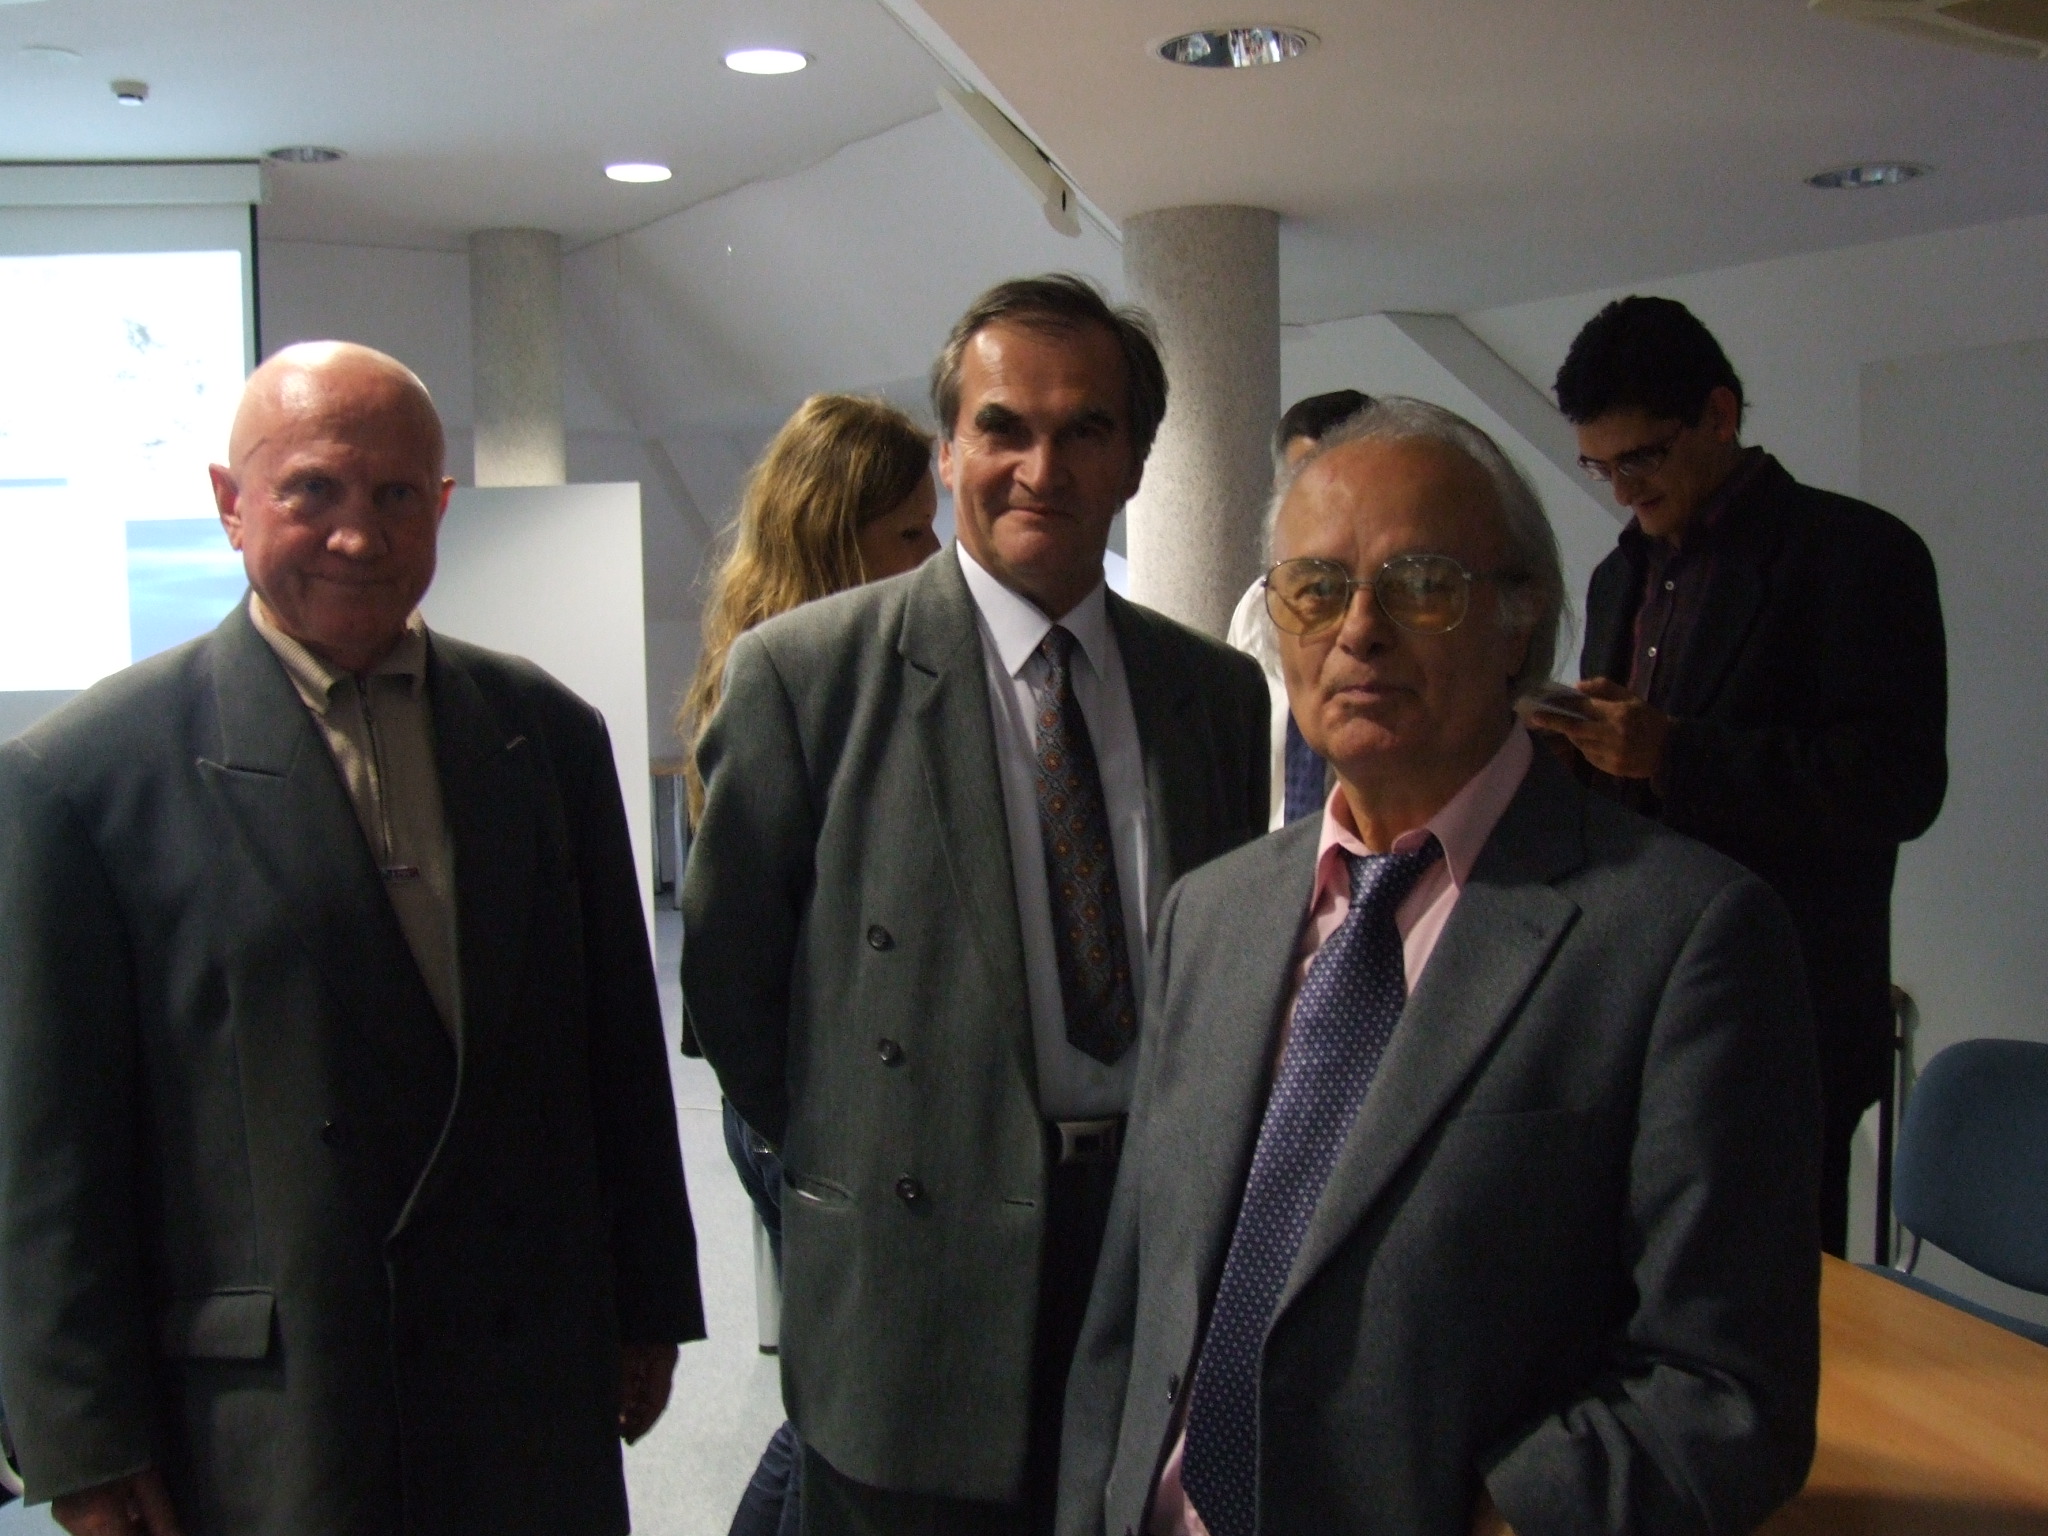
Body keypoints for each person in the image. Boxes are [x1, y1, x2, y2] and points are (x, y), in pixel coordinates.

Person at [1060, 399, 1821, 1536]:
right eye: (1315, 589)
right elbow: (1132, 1299)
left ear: (1519, 621)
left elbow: (1727, 1393)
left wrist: (1494, 1516)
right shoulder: (1208, 915)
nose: (1358, 630)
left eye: (1420, 584)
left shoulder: (1682, 939)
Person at [0, 342, 703, 1535]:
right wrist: (82, 1436)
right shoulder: (85, 777)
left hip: (524, 1376)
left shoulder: (545, 734)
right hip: (278, 1407)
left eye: (394, 495)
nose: (356, 535)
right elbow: (50, 1148)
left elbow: (614, 1053)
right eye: (311, 491)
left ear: (441, 505)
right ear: (230, 503)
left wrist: (647, 1302)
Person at [682, 274, 1269, 1535]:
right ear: (946, 450)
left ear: (1134, 459)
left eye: (1085, 430)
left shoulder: (1212, 695)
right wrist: (866, 1148)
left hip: (1149, 1247)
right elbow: (731, 989)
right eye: (1002, 427)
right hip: (914, 1262)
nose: (1039, 469)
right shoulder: (806, 677)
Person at [1534, 295, 1947, 1257]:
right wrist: (1573, 753)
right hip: (1633, 992)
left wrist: (1672, 751)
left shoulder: (1859, 556)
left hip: (1785, 1008)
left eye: (1641, 459)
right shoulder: (1618, 576)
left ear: (1719, 415)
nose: (1622, 490)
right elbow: (1630, 793)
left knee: (1775, 1294)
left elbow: (1896, 783)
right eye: (1600, 467)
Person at [675, 392, 942, 1536]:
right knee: (843, 1404)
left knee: (835, 1393)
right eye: (909, 535)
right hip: (812, 1105)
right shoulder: (798, 681)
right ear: (842, 537)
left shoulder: (791, 658)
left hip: (818, 1101)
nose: (932, 561)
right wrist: (814, 1125)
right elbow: (731, 961)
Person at [1225, 390, 1371, 829]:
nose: (1321, 499)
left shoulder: (1397, 608)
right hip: (1279, 852)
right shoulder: (1258, 608)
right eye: (1301, 479)